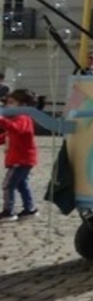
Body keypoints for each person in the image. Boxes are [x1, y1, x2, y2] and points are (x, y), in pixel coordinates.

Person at [0, 88, 39, 220]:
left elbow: (15, 129)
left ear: (22, 105)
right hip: (20, 159)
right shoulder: (18, 118)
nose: (7, 105)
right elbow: (7, 136)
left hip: (22, 159)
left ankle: (8, 211)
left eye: (11, 102)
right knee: (22, 185)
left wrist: (1, 120)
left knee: (8, 185)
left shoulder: (23, 117)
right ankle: (30, 209)